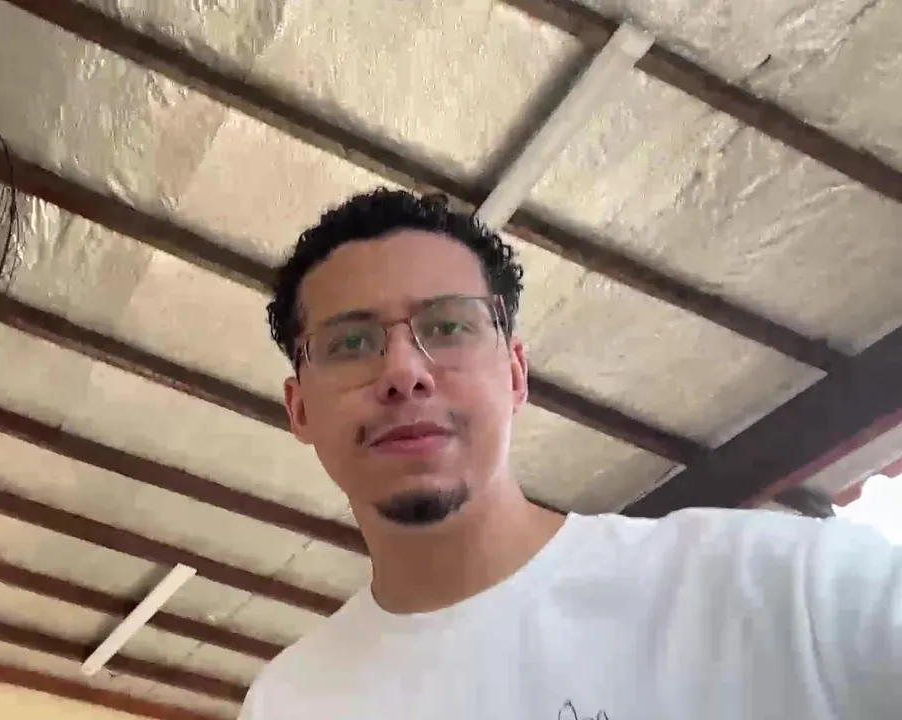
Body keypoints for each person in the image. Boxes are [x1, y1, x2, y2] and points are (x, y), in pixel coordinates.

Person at [239, 189, 901, 719]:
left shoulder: (783, 589)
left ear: (515, 374)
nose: (404, 372)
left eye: (448, 326)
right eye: (351, 343)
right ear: (300, 409)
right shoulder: (289, 702)